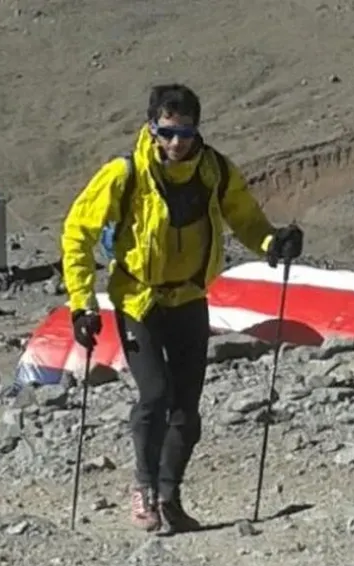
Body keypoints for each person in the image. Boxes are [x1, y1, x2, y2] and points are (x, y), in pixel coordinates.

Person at [61, 83, 304, 534]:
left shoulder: (215, 171)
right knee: (155, 395)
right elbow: (78, 231)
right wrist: (81, 305)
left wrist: (273, 242)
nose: (178, 142)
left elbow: (246, 219)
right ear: (152, 128)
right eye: (168, 132)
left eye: (186, 132)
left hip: (191, 297)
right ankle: (144, 489)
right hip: (139, 299)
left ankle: (170, 497)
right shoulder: (125, 173)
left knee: (187, 409)